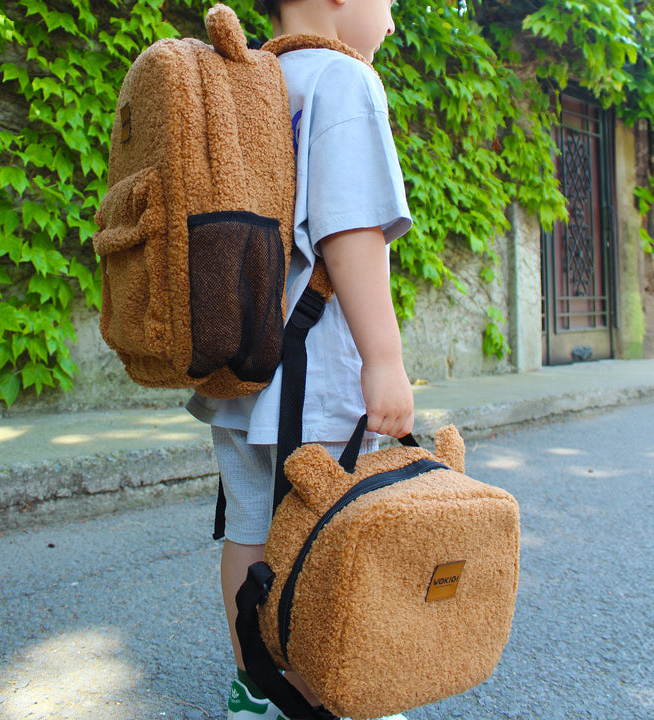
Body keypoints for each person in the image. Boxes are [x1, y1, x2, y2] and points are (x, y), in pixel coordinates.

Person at [187, 0, 414, 717]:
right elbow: (351, 232)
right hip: (313, 378)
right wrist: (384, 359)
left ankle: (258, 691)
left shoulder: (247, 79)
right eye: (390, 4)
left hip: (237, 365)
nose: (392, 22)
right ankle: (322, 698)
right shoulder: (344, 83)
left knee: (251, 528)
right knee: (326, 535)